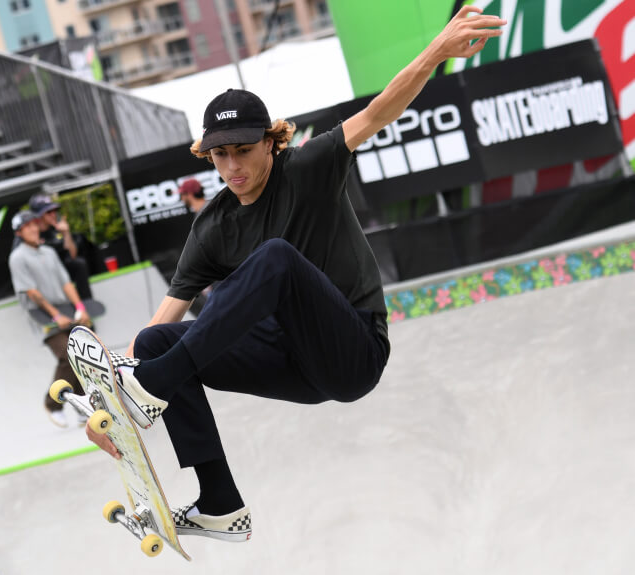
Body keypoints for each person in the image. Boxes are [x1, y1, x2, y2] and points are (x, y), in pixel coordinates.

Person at [87, 6, 504, 542]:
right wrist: (110, 403)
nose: (233, 167)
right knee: (155, 339)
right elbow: (164, 319)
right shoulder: (212, 226)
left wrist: (434, 53)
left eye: (243, 151)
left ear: (271, 142)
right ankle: (219, 503)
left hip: (351, 352)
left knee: (276, 259)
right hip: (285, 365)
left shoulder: (308, 168)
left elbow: (378, 113)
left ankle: (152, 389)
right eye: (220, 156)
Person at [8, 210, 93, 428]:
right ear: (19, 232)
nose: (34, 229)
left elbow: (66, 283)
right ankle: (52, 404)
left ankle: (83, 407)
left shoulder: (48, 252)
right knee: (66, 355)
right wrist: (55, 315)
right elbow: (32, 293)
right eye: (28, 227)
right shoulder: (17, 258)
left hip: (65, 309)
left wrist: (80, 308)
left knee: (79, 357)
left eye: (35, 225)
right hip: (43, 316)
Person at [29, 193, 94, 301]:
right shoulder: (30, 233)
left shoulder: (56, 229)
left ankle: (87, 302)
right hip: (43, 275)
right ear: (38, 216)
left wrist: (66, 233)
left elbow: (72, 256)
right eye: (48, 212)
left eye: (54, 211)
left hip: (60, 271)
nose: (53, 214)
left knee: (79, 264)